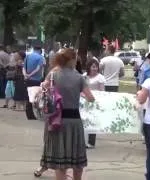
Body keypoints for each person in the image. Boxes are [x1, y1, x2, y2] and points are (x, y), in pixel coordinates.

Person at [37, 48, 95, 180]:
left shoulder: (53, 75)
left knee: (60, 162)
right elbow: (91, 98)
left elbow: (43, 90)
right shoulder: (79, 77)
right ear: (72, 60)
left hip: (56, 120)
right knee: (77, 160)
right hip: (74, 121)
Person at [83, 59, 105, 148]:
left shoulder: (100, 77)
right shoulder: (84, 76)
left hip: (95, 100)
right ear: (89, 67)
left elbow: (102, 90)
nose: (95, 69)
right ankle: (83, 141)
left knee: (92, 121)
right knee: (84, 121)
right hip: (84, 100)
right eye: (93, 67)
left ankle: (91, 142)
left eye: (96, 67)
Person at [23, 45, 45, 120]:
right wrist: (31, 75)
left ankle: (29, 114)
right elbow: (38, 69)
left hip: (28, 80)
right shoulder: (40, 57)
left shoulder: (28, 56)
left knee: (28, 96)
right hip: (36, 80)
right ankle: (35, 114)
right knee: (36, 97)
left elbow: (23, 67)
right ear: (39, 50)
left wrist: (26, 75)